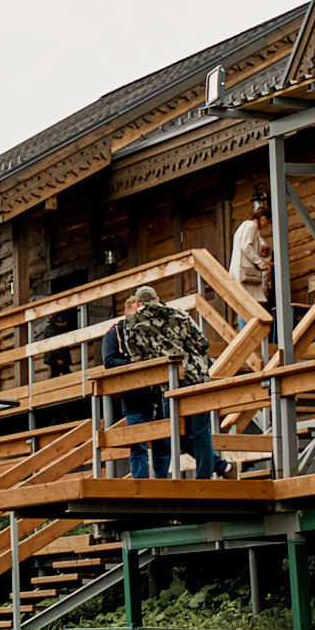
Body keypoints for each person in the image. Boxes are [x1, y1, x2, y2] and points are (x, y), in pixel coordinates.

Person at [104, 284, 224, 479]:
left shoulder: (133, 321)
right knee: (201, 430)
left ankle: (211, 471)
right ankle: (205, 478)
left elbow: (137, 356)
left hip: (170, 383)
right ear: (157, 297)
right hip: (197, 376)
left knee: (176, 432)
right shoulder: (179, 314)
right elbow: (203, 344)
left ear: (139, 302)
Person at [232, 198, 275, 322]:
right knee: (248, 304)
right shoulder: (251, 226)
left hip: (241, 270)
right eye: (267, 221)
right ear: (263, 218)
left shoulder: (244, 226)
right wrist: (260, 263)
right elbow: (246, 246)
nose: (266, 225)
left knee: (246, 304)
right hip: (245, 271)